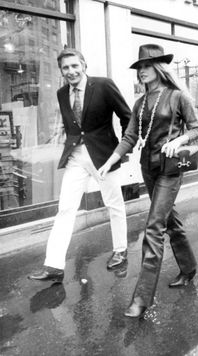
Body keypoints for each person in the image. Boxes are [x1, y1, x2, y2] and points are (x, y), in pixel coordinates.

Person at [98, 44, 198, 318]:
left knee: (154, 227)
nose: (142, 71)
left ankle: (141, 299)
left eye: (146, 66)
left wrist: (179, 139)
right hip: (149, 168)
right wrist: (111, 160)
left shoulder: (178, 96)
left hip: (170, 169)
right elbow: (130, 136)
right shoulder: (140, 102)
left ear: (159, 67)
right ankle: (189, 268)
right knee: (170, 221)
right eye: (139, 68)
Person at [29, 48, 131, 283]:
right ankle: (54, 265)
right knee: (65, 208)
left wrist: (122, 150)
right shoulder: (61, 93)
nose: (71, 71)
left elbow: (128, 117)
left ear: (84, 65)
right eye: (66, 68)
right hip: (75, 156)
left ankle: (120, 250)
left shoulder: (104, 85)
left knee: (114, 204)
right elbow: (73, 126)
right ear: (61, 71)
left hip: (104, 156)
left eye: (75, 66)